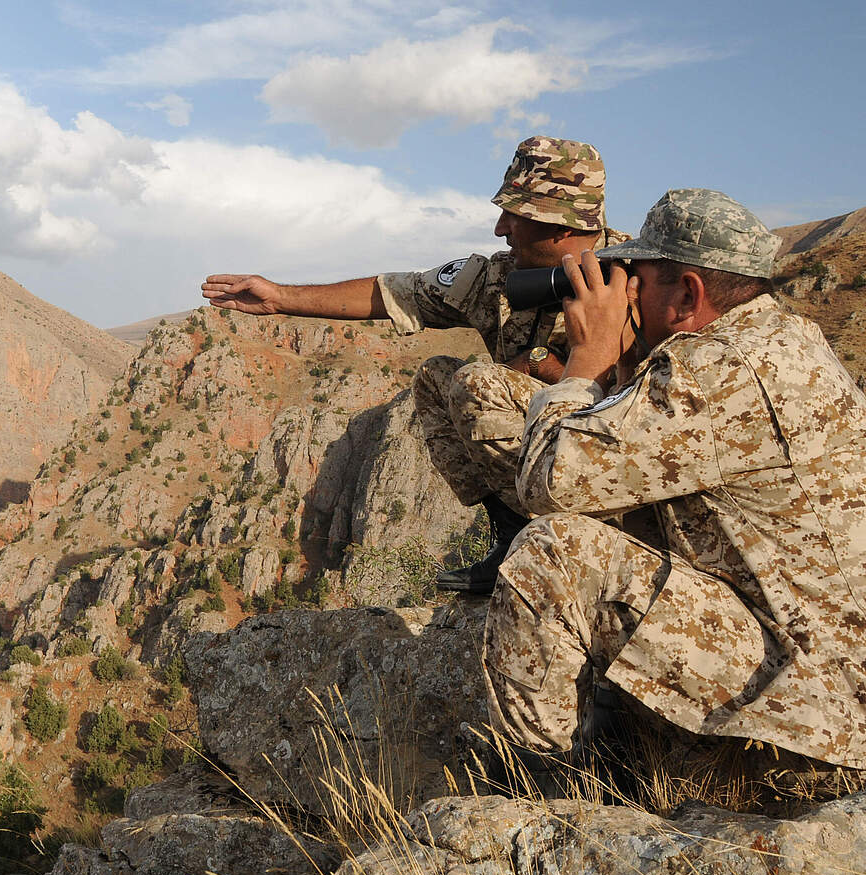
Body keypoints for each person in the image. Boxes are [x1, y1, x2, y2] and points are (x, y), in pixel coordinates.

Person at [482, 188, 866, 778]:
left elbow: (547, 485)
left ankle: (536, 791)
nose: (625, 291)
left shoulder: (716, 367)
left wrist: (587, 359)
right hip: (830, 663)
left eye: (639, 277)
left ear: (689, 292)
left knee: (554, 551)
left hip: (818, 701)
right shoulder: (786, 341)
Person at [203, 136, 629, 593]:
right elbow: (391, 292)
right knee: (436, 378)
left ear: (559, 223)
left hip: (613, 465)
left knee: (478, 382)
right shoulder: (501, 278)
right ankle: (512, 539)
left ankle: (587, 550)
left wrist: (550, 367)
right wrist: (281, 298)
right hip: (542, 457)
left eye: (514, 215)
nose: (500, 229)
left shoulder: (640, 283)